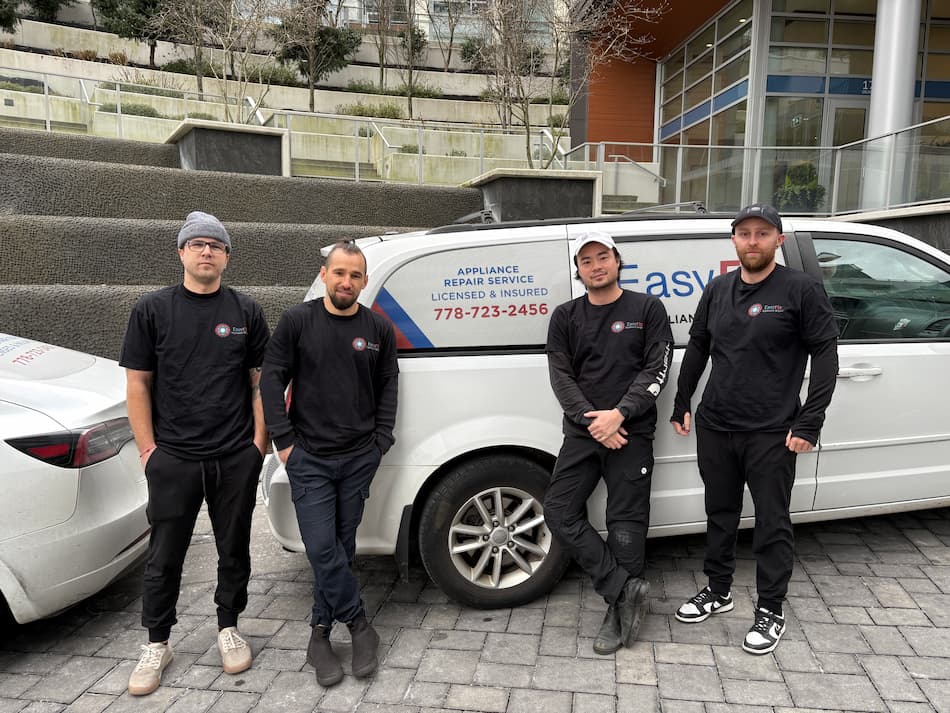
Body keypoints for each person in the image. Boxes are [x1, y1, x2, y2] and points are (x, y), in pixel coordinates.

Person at [670, 203, 838, 655]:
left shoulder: (800, 289)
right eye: (744, 233)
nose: (752, 241)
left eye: (762, 233)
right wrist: (683, 400)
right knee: (720, 513)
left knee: (772, 521)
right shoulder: (718, 289)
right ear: (734, 241)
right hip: (716, 424)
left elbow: (826, 356)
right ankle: (719, 590)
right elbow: (699, 345)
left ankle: (771, 609)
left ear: (778, 240)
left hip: (773, 429)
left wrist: (810, 421)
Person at [120, 211, 270, 696]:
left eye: (216, 245)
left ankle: (228, 627)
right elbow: (138, 384)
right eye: (197, 244)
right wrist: (148, 451)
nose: (206, 251)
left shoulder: (246, 313)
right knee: (165, 555)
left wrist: (257, 446)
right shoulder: (152, 310)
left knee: (234, 548)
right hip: (174, 458)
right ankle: (157, 642)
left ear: (227, 256)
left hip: (233, 456)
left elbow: (260, 383)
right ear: (181, 252)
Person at [260, 241, 398, 687]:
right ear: (324, 274)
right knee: (321, 548)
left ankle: (319, 634)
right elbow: (272, 379)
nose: (347, 282)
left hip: (359, 458)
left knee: (341, 547)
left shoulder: (377, 327)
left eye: (355, 275)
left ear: (364, 279)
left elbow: (389, 384)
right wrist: (284, 443)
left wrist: (381, 440)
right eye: (339, 273)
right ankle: (360, 625)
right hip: (310, 460)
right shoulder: (298, 321)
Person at [543, 232, 673, 655]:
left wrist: (620, 414)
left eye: (603, 257)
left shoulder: (647, 309)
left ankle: (618, 612)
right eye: (586, 260)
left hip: (630, 431)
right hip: (582, 434)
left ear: (618, 261)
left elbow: (657, 367)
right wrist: (591, 420)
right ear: (578, 271)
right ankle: (622, 590)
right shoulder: (565, 316)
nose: (596, 265)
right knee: (558, 510)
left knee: (626, 519)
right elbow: (561, 377)